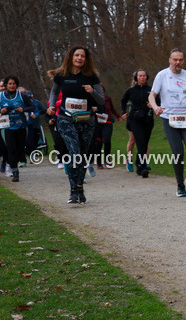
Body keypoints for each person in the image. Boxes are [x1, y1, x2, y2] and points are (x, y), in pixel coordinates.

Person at [47, 47, 105, 203]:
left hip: (87, 120)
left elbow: (101, 100)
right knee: (74, 152)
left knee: (83, 156)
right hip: (66, 118)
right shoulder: (62, 76)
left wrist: (92, 91)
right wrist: (52, 105)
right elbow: (54, 92)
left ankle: (80, 187)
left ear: (86, 59)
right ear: (71, 57)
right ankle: (73, 191)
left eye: (83, 56)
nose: (79, 58)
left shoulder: (91, 77)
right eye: (77, 55)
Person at [150, 49, 186, 196]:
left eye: (180, 59)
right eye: (175, 59)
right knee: (178, 153)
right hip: (169, 119)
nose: (178, 62)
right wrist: (156, 107)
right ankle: (180, 185)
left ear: (183, 61)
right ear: (169, 60)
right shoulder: (162, 75)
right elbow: (152, 95)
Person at [1, 76, 35, 182]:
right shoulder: (1, 96)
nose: (12, 86)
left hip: (21, 126)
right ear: (6, 85)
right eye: (10, 84)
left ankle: (18, 162)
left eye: (14, 84)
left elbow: (32, 107)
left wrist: (23, 109)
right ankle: (15, 172)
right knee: (11, 149)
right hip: (8, 127)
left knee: (20, 150)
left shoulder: (22, 95)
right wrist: (1, 111)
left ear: (16, 85)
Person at [121, 70, 154, 177]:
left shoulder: (151, 90)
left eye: (144, 76)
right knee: (139, 142)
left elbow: (159, 101)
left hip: (148, 119)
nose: (142, 78)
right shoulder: (131, 90)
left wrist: (153, 105)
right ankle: (142, 167)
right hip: (135, 119)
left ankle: (140, 164)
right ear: (136, 78)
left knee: (144, 143)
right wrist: (123, 112)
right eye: (140, 76)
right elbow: (123, 100)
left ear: (147, 77)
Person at [89, 84, 121, 169]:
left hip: (107, 121)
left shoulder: (107, 98)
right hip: (97, 123)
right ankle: (99, 162)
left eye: (102, 89)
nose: (100, 91)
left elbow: (112, 108)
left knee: (106, 140)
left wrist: (118, 116)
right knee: (98, 142)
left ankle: (107, 160)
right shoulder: (92, 99)